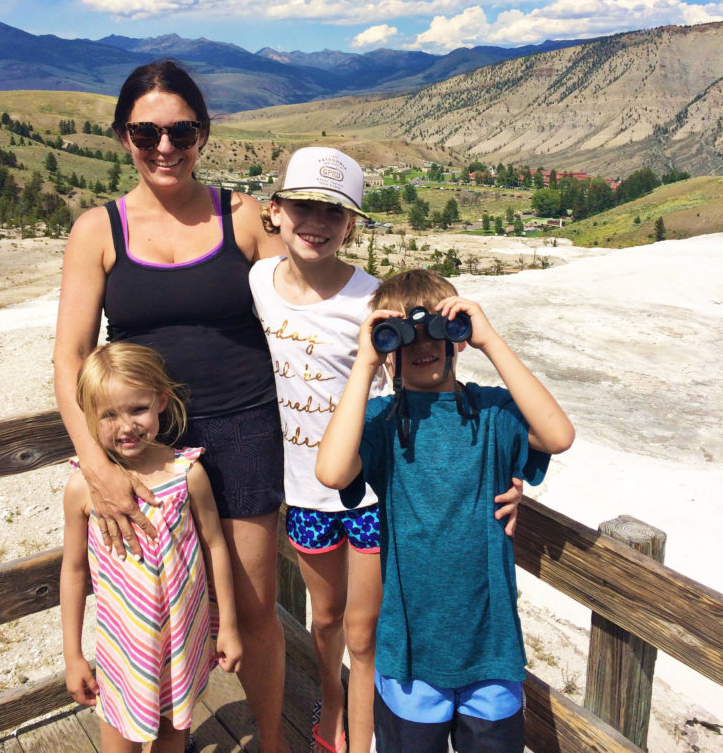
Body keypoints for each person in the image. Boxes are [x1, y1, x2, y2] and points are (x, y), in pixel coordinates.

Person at [249, 151, 523, 753]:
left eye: (333, 210)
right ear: (276, 211)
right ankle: (335, 697)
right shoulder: (257, 285)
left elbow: (422, 393)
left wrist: (504, 473)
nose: (316, 219)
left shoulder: (380, 301)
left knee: (365, 628)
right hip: (306, 485)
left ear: (352, 224)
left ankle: (366, 733)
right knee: (324, 620)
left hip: (375, 489)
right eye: (303, 206)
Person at [53, 59, 290, 753]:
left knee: (251, 608)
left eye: (180, 130)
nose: (165, 146)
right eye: (146, 131)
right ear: (123, 136)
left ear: (203, 134)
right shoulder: (98, 231)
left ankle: (273, 742)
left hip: (245, 429)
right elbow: (69, 359)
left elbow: (303, 315)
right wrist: (97, 465)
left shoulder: (241, 217)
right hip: (143, 446)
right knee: (150, 608)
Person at [315, 269, 575, 753]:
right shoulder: (380, 423)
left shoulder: (494, 412)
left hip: (490, 650)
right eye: (403, 336)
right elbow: (331, 472)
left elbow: (558, 436)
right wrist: (365, 361)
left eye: (436, 326)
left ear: (455, 335)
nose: (421, 345)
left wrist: (489, 340)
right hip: (410, 654)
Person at [60, 341, 242, 753]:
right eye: (108, 414)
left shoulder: (188, 474)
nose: (126, 426)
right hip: (125, 648)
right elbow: (73, 571)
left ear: (161, 401)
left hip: (182, 640)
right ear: (88, 416)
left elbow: (215, 546)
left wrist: (227, 624)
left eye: (137, 409)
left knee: (172, 735)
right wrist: (73, 656)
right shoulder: (81, 490)